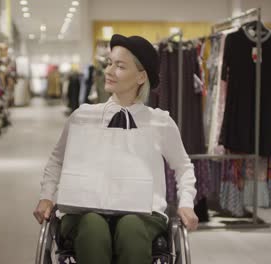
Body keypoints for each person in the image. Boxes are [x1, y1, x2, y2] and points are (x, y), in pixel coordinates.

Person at [33, 34, 198, 264]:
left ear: (141, 76)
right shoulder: (83, 116)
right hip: (83, 209)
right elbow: (56, 160)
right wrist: (46, 197)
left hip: (144, 213)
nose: (109, 71)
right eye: (109, 63)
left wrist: (186, 203)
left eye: (120, 66)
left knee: (131, 227)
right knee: (93, 225)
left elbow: (183, 167)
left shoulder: (160, 122)